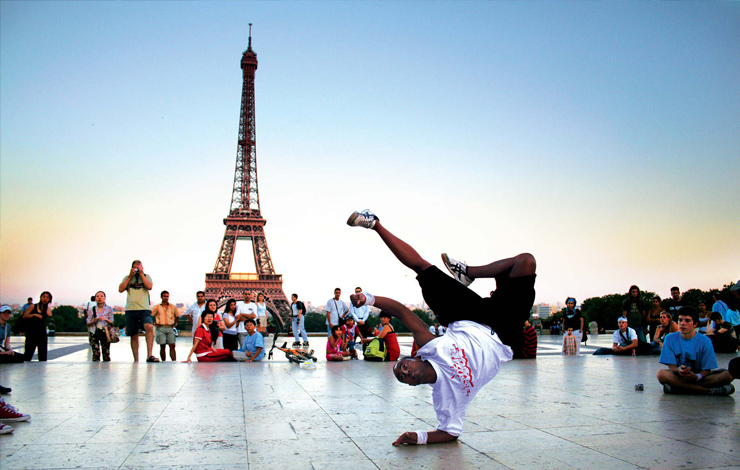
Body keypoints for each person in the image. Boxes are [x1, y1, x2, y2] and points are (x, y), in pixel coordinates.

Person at [347, 209, 535, 445]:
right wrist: (417, 437)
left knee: (422, 267)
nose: (405, 372)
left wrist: (369, 298)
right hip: (505, 331)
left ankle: (375, 224)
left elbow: (402, 312)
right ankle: (476, 276)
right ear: (412, 385)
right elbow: (450, 433)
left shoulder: (432, 348)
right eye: (403, 378)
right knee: (526, 262)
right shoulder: (445, 399)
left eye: (403, 366)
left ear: (415, 358)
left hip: (468, 317)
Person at [657, 307, 735, 395]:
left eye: (687, 321)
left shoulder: (705, 341)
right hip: (680, 376)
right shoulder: (670, 338)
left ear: (695, 324)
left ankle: (678, 388)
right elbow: (671, 366)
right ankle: (707, 391)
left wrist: (697, 376)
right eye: (680, 320)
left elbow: (707, 369)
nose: (682, 323)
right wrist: (680, 370)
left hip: (700, 377)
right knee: (661, 374)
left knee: (728, 375)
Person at [118, 260, 157, 362]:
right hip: (131, 309)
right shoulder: (127, 278)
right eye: (135, 267)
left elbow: (149, 286)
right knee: (134, 334)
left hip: (144, 309)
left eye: (139, 267)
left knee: (149, 327)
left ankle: (150, 355)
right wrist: (130, 276)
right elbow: (121, 289)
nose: (137, 269)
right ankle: (136, 359)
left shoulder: (146, 276)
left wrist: (141, 274)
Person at [22, 291, 53, 361]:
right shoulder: (33, 306)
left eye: (47, 298)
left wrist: (47, 306)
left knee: (43, 354)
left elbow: (49, 314)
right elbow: (24, 316)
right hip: (31, 332)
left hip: (41, 332)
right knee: (28, 353)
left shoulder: (46, 308)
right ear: (40, 297)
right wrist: (34, 315)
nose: (45, 299)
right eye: (44, 297)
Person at [85, 291, 114, 362]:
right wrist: (93, 321)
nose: (99, 298)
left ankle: (105, 368)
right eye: (97, 296)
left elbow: (112, 322)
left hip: (105, 331)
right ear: (95, 298)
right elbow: (88, 322)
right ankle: (95, 367)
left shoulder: (109, 309)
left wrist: (105, 319)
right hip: (94, 331)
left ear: (104, 298)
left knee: (106, 353)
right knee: (95, 353)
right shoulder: (92, 309)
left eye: (101, 296)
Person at [151, 290, 179, 361]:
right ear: (161, 297)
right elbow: (150, 315)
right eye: (164, 296)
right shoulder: (157, 307)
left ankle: (174, 361)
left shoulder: (172, 307)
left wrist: (174, 324)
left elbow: (177, 316)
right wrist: (154, 324)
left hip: (170, 327)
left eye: (167, 296)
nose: (166, 298)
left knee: (172, 345)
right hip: (161, 327)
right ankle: (163, 361)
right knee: (162, 346)